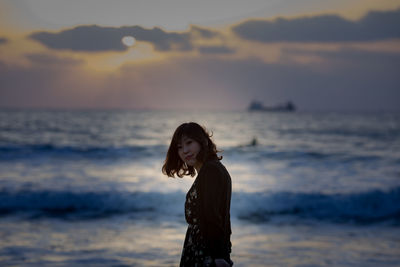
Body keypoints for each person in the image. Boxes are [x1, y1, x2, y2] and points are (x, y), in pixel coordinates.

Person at [162, 122, 233, 267]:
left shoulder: (210, 171)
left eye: (189, 143)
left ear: (202, 142)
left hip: (205, 254)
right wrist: (224, 252)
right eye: (180, 147)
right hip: (203, 251)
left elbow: (213, 216)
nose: (185, 150)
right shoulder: (212, 169)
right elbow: (223, 216)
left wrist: (219, 255)